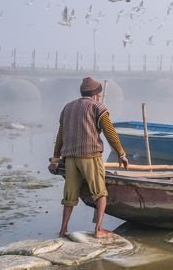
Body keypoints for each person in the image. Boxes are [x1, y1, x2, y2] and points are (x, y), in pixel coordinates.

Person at [50, 77, 129, 239]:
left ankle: (63, 230)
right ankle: (98, 230)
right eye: (98, 95)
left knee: (69, 196)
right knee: (100, 193)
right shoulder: (97, 107)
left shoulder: (68, 107)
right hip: (90, 156)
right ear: (95, 95)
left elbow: (60, 135)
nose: (99, 98)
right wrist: (121, 153)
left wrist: (55, 158)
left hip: (70, 157)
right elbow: (110, 133)